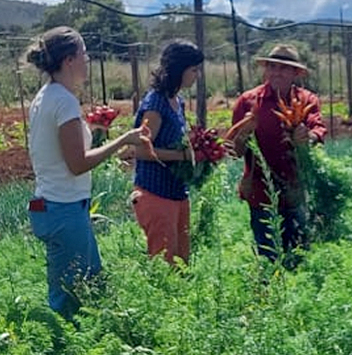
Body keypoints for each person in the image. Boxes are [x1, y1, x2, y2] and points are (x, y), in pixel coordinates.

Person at [25, 26, 148, 322]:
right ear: (69, 60)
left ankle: (83, 343)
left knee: (92, 283)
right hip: (63, 209)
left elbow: (60, 150)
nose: (87, 59)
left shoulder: (46, 96)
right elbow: (77, 164)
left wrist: (93, 132)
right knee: (70, 296)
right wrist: (124, 139)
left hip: (53, 205)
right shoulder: (63, 101)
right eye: (83, 53)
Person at [229, 44, 327, 264]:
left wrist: (307, 137)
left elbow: (318, 129)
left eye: (283, 68)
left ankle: (297, 291)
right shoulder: (248, 101)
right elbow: (234, 151)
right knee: (268, 255)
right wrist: (243, 135)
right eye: (272, 67)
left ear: (296, 73)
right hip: (260, 188)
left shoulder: (307, 100)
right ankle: (270, 292)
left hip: (295, 185)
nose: (276, 72)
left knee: (299, 252)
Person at [130, 40, 205, 264]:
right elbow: (141, 150)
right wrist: (181, 156)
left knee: (182, 260)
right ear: (179, 70)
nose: (196, 75)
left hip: (176, 192)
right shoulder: (155, 104)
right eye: (193, 70)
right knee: (165, 262)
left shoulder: (177, 101)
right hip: (156, 192)